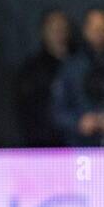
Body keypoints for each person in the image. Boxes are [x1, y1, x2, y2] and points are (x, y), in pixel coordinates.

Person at [51, 8, 104, 147]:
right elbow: (58, 111)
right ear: (85, 30)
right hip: (81, 147)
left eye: (103, 28)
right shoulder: (72, 67)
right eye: (94, 28)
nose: (98, 32)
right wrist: (78, 122)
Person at [15, 9, 71, 147]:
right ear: (44, 32)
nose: (59, 34)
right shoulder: (32, 69)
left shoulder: (79, 64)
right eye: (54, 29)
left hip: (75, 141)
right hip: (42, 144)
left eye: (62, 29)